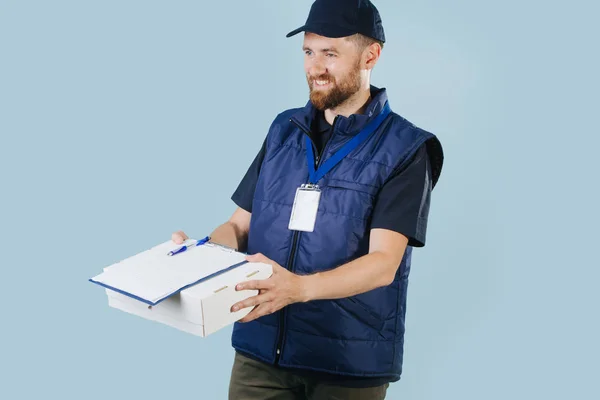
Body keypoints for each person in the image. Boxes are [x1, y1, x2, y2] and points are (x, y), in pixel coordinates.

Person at [172, 0, 444, 398]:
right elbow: (238, 225)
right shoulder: (284, 129)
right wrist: (202, 254)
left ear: (371, 55)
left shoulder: (405, 148)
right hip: (259, 354)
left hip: (346, 366)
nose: (314, 67)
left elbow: (384, 264)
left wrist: (297, 289)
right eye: (308, 52)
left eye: (330, 54)